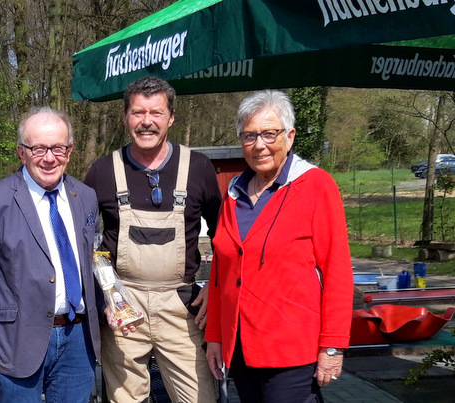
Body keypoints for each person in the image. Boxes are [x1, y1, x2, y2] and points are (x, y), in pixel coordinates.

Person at [205, 90, 353, 402]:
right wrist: (215, 337)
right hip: (241, 349)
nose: (259, 145)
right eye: (249, 136)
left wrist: (332, 345)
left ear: (290, 136)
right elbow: (220, 274)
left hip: (292, 352)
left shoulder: (315, 186)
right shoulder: (233, 195)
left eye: (269, 134)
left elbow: (337, 272)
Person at [84, 76, 222, 403]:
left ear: (171, 118)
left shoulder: (199, 168)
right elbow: (87, 244)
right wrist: (108, 293)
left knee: (200, 397)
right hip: (123, 309)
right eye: (138, 112)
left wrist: (215, 289)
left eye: (156, 113)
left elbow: (226, 239)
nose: (147, 121)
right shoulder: (103, 171)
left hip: (182, 306)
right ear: (125, 117)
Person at [0, 107, 102, 403]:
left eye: (58, 148)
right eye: (39, 148)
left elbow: (93, 264)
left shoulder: (85, 196)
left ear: (70, 150)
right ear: (21, 152)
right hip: (17, 342)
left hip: (78, 340)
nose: (49, 158)